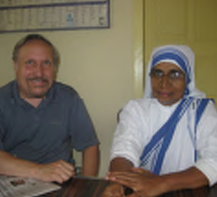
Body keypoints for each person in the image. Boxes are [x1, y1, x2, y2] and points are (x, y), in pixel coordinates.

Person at [102, 45, 217, 197]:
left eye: (175, 74)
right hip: (142, 190)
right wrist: (118, 183)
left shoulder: (202, 110)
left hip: (191, 191)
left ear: (187, 78)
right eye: (157, 73)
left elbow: (214, 160)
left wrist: (160, 183)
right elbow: (124, 149)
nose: (164, 83)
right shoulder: (135, 108)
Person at [0, 34, 99, 184]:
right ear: (16, 66)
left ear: (55, 68)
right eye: (30, 62)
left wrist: (86, 187)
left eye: (46, 63)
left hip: (60, 184)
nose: (39, 73)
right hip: (14, 182)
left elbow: (90, 146)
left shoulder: (68, 97)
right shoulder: (2, 99)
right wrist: (39, 171)